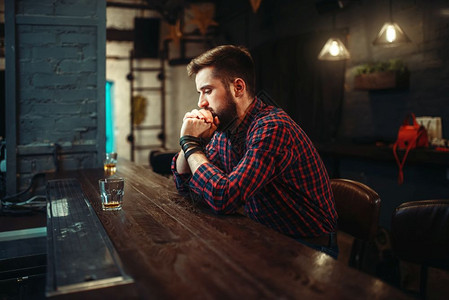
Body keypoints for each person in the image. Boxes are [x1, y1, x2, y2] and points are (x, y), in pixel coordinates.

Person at [171, 45, 338, 258]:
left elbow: (224, 197)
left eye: (207, 91)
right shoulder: (226, 129)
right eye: (200, 93)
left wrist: (190, 144)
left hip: (309, 250)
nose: (200, 102)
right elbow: (184, 184)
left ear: (238, 87)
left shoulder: (272, 127)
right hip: (266, 237)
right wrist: (191, 144)